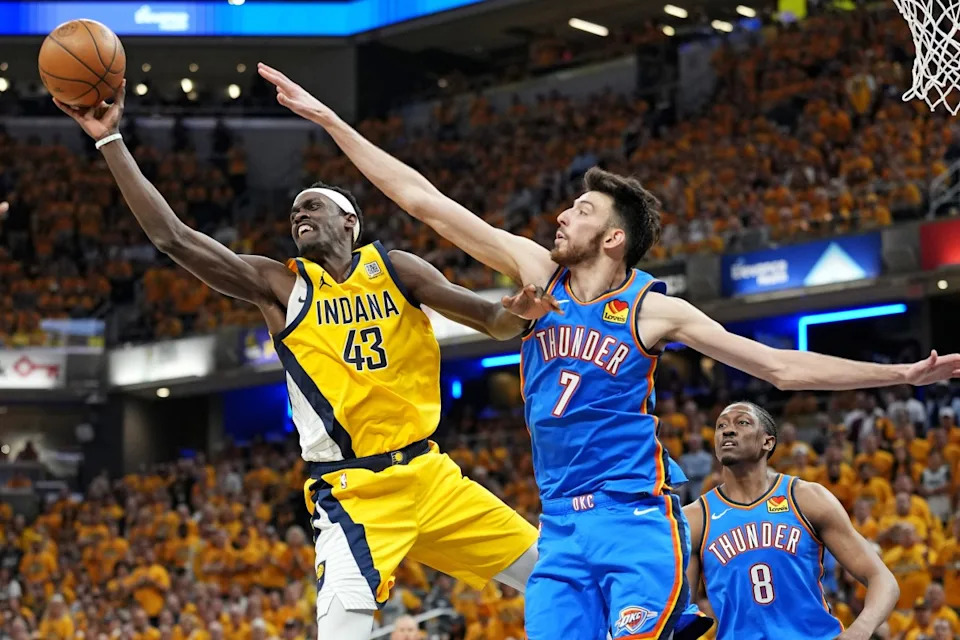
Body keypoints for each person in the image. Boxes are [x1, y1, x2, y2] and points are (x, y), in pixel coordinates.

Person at [259, 63, 960, 639]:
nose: (562, 216)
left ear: (614, 238)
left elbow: (779, 366)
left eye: (582, 212)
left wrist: (899, 372)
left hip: (633, 522)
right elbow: (424, 200)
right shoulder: (537, 276)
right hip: (559, 528)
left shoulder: (655, 311)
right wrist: (328, 121)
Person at [54, 83, 542, 640]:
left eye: (312, 206)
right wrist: (110, 139)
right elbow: (174, 239)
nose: (298, 216)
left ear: (350, 223)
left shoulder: (396, 268)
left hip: (431, 475)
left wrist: (518, 313)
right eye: (293, 213)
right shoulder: (281, 284)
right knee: (341, 630)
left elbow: (491, 320)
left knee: (556, 575)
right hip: (351, 491)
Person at [684, 402, 899, 640]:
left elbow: (883, 579)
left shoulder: (806, 497)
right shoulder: (695, 518)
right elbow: (678, 614)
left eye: (742, 422)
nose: (727, 430)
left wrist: (860, 630)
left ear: (768, 442)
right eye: (721, 426)